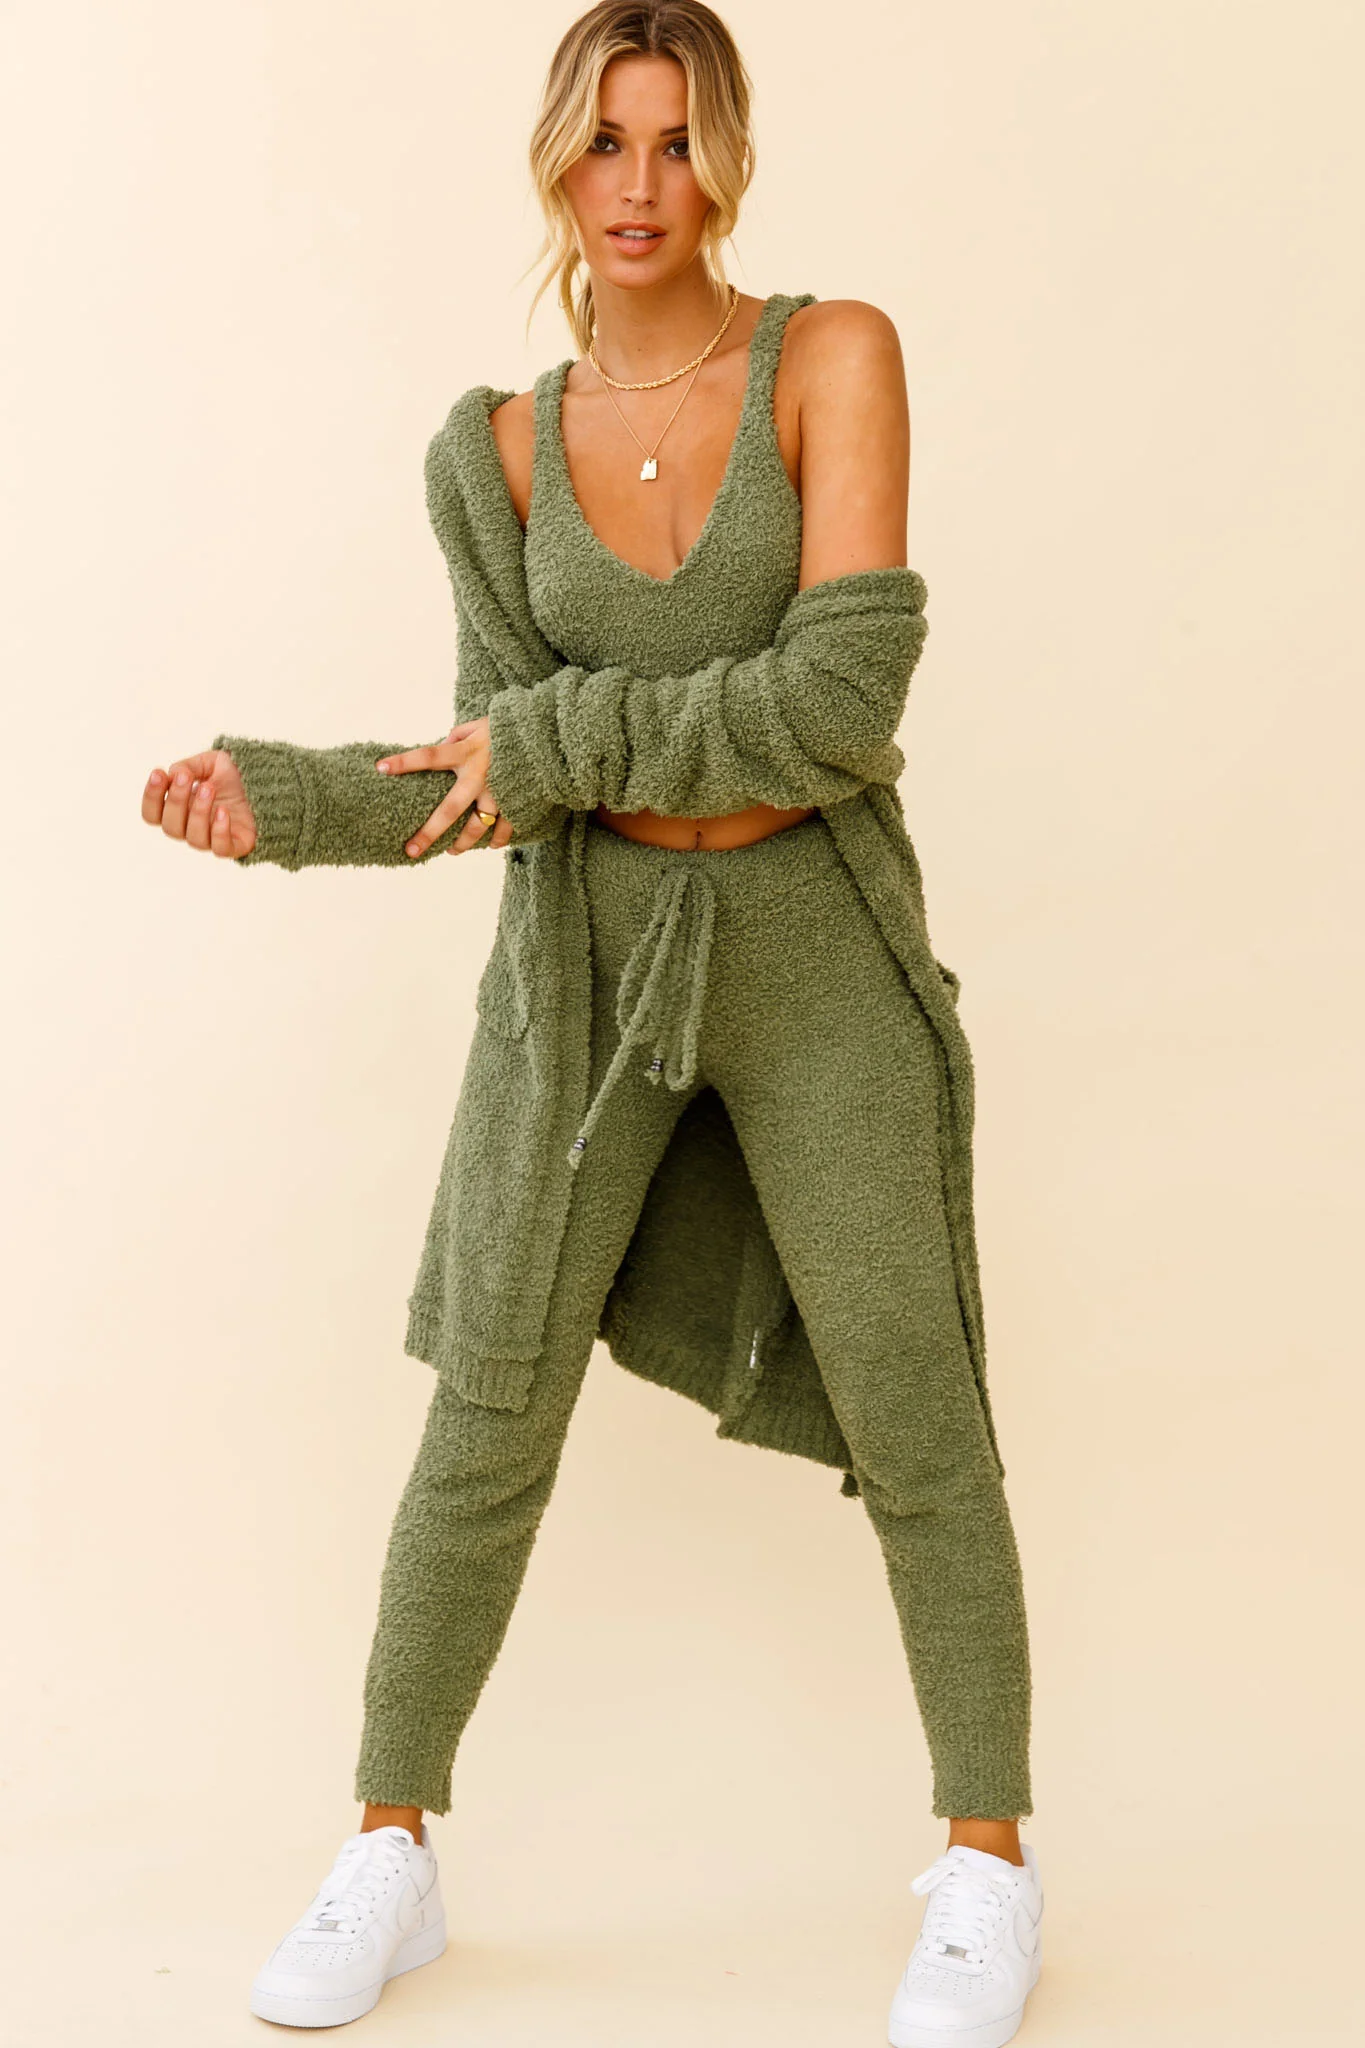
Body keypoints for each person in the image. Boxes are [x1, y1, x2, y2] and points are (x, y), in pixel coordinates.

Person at [140, 5, 1044, 2041]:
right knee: (490, 1398)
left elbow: (839, 711)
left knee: (916, 1398)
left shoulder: (831, 355)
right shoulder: (491, 451)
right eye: (602, 142)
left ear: (728, 159)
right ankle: (389, 1849)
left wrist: (565, 739)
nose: (637, 186)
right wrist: (284, 799)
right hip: (585, 967)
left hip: (820, 955)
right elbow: (494, 773)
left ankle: (988, 1863)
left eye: (675, 141)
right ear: (554, 160)